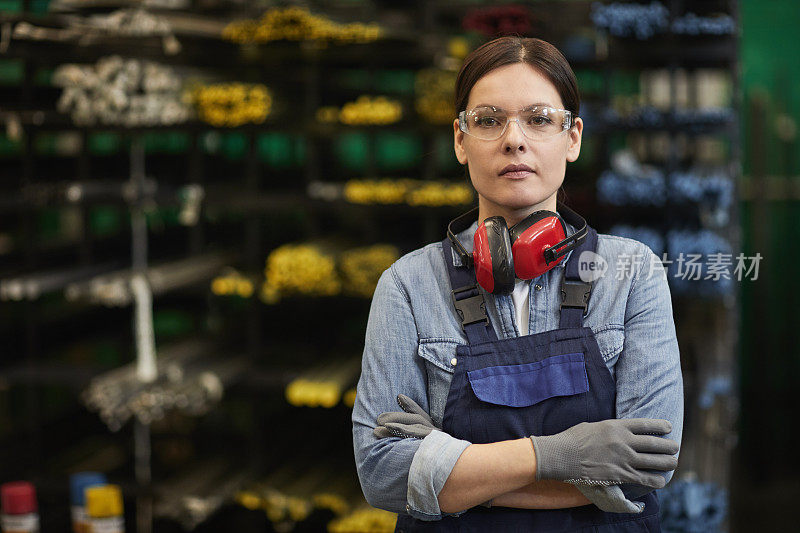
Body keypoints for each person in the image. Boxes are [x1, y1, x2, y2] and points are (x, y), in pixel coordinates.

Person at [352, 36, 683, 532]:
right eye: (488, 120)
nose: (514, 139)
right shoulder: (408, 285)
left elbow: (645, 470)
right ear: (460, 140)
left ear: (572, 138)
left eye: (539, 118)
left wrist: (449, 476)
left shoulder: (631, 272)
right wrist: (558, 455)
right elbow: (383, 474)